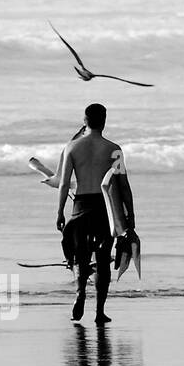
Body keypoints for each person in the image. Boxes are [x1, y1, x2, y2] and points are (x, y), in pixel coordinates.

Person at [55, 104, 135, 325]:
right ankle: (99, 312)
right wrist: (130, 217)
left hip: (80, 205)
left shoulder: (71, 147)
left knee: (80, 257)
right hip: (104, 208)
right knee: (102, 259)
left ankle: (80, 292)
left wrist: (60, 211)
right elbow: (123, 185)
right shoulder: (114, 149)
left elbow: (63, 184)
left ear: (84, 120)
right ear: (104, 120)